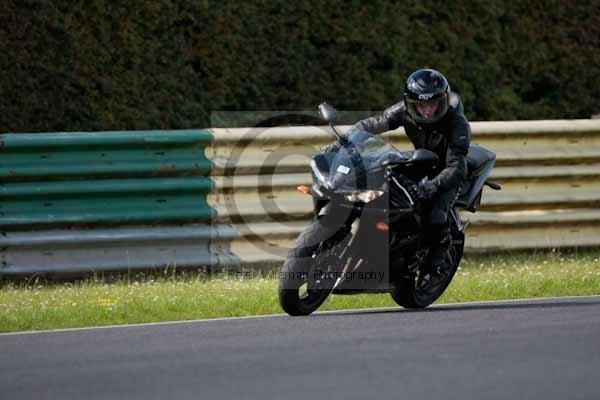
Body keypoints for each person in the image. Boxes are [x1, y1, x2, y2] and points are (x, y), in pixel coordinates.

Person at [325, 68, 471, 284]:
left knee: (436, 215)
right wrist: (340, 145)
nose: (427, 111)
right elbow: (371, 125)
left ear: (443, 100)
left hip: (446, 172)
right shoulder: (403, 110)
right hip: (421, 160)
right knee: (386, 185)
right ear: (410, 103)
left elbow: (456, 166)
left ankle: (436, 262)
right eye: (421, 105)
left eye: (432, 105)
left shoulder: (457, 124)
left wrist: (433, 185)